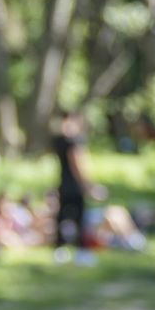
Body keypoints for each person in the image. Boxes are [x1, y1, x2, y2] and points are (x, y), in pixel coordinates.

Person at [52, 108, 98, 265]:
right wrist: (88, 185)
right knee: (79, 219)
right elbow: (79, 164)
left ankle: (61, 249)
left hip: (64, 185)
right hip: (74, 186)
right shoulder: (74, 142)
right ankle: (81, 251)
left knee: (63, 217)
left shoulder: (60, 141)